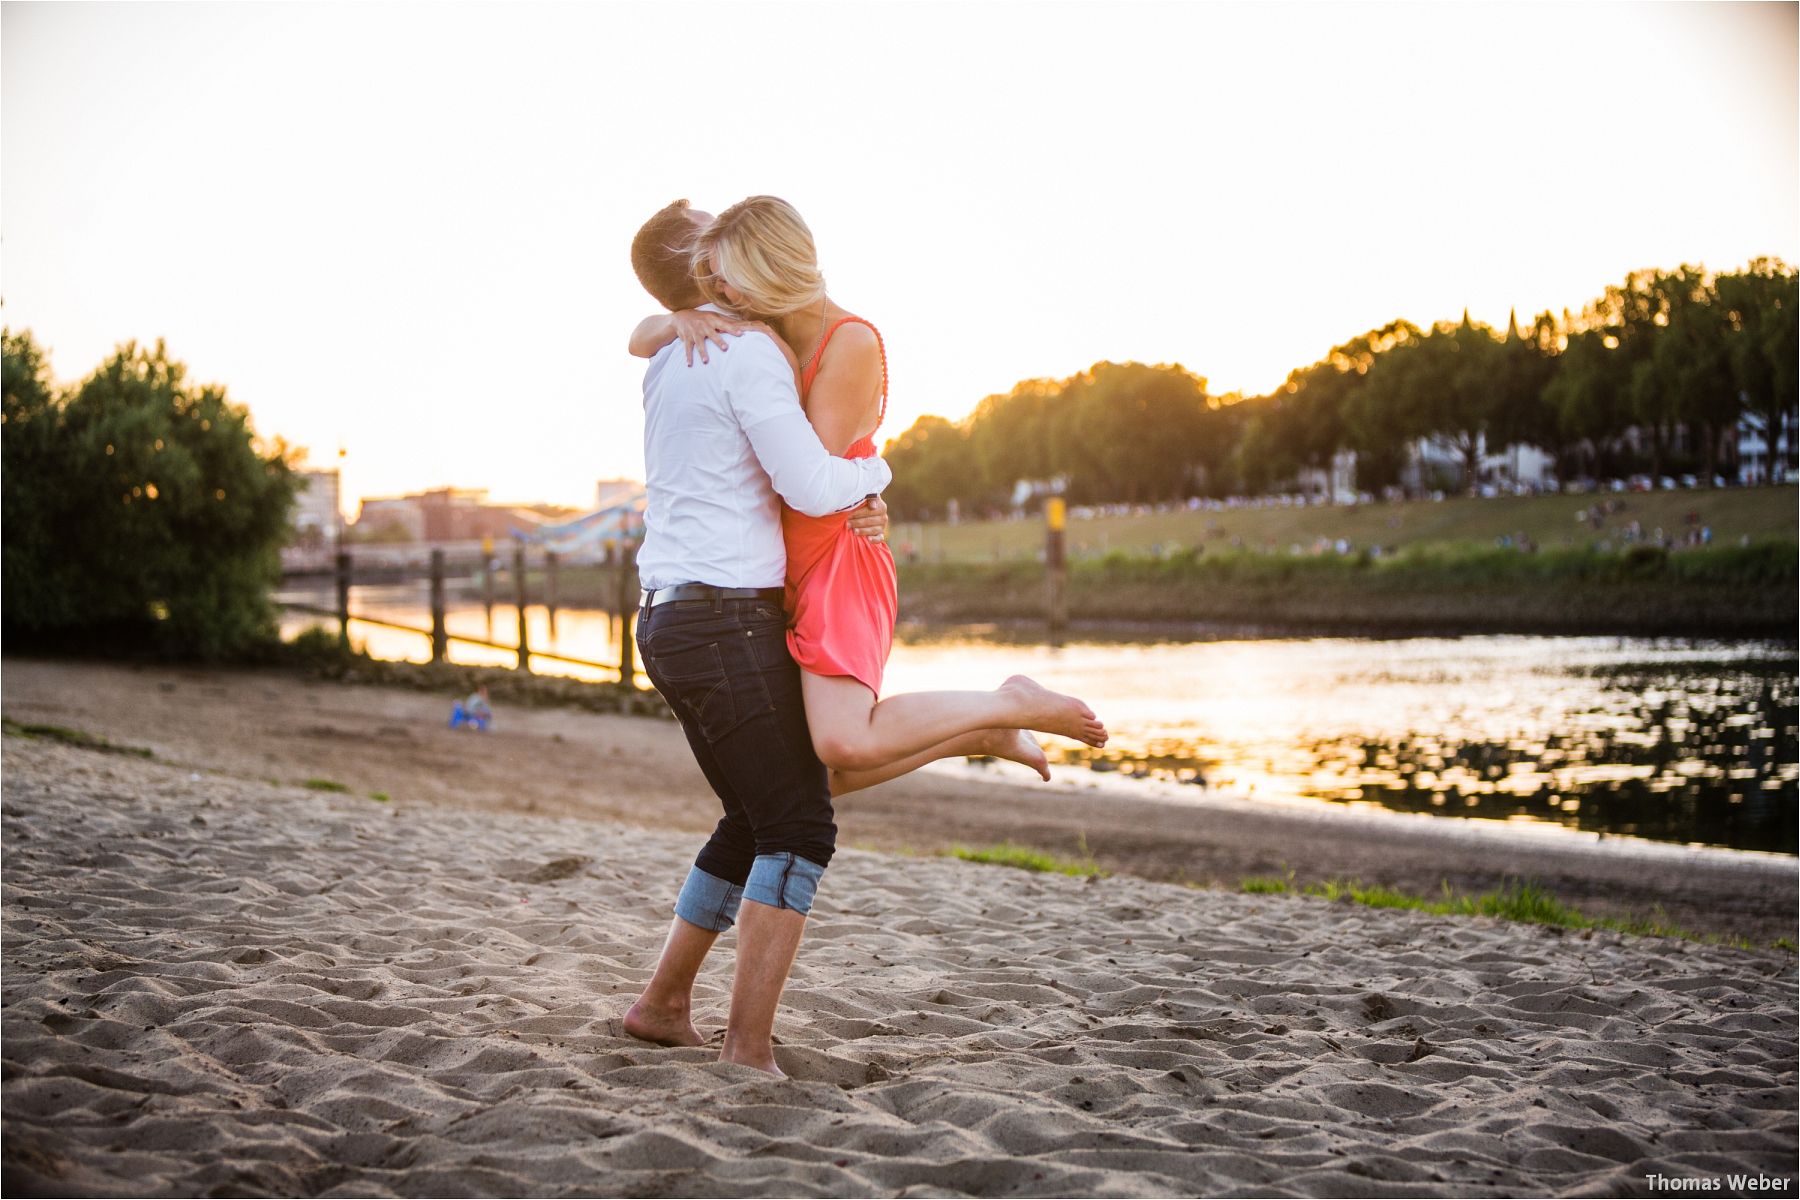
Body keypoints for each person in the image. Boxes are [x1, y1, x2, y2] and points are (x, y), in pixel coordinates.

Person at [619, 198, 1106, 1076]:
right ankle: (746, 1049)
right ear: (707, 270)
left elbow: (674, 356)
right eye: (710, 237)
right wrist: (880, 471)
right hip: (730, 610)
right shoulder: (740, 349)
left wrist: (857, 483)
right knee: (801, 817)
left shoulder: (674, 358)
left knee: (767, 807)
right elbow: (811, 483)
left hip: (678, 612)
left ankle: (662, 1005)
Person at [629, 196, 1106, 797]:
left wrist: (875, 477)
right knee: (812, 774)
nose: (716, 265)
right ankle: (981, 733)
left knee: (839, 747)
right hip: (776, 565)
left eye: (724, 255)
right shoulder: (747, 332)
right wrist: (675, 320)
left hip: (835, 552)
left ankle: (1007, 702)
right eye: (707, 254)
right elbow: (640, 334)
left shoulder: (842, 341)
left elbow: (810, 483)